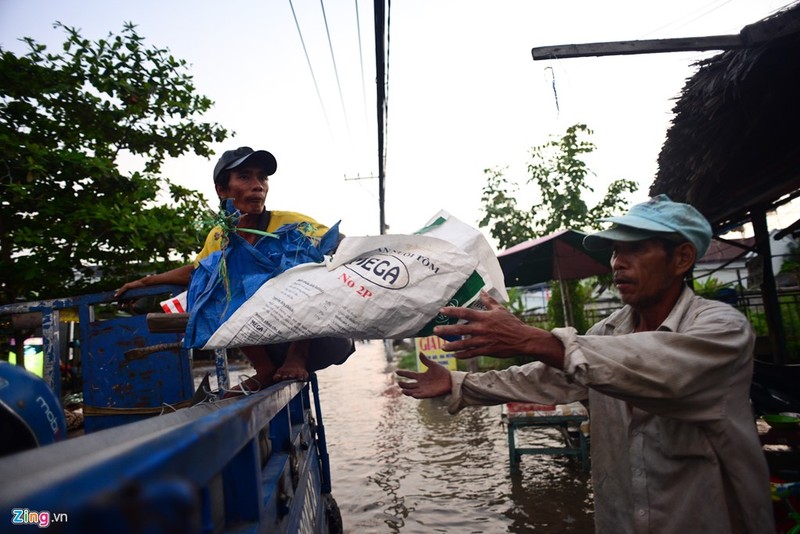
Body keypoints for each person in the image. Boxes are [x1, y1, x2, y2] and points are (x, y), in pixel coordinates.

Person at [397, 195, 774, 533]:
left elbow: (658, 367)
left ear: (682, 258)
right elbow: (546, 378)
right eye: (614, 251)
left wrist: (529, 338)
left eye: (636, 249)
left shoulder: (722, 329)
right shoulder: (608, 330)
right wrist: (458, 383)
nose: (618, 263)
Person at [115, 146, 354, 393]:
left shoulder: (289, 222)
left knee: (303, 266)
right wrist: (146, 283)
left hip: (320, 340)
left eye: (262, 177)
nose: (258, 185)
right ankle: (265, 370)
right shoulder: (219, 236)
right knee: (216, 280)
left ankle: (297, 356)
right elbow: (198, 272)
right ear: (222, 190)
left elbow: (337, 242)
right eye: (245, 177)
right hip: (269, 340)